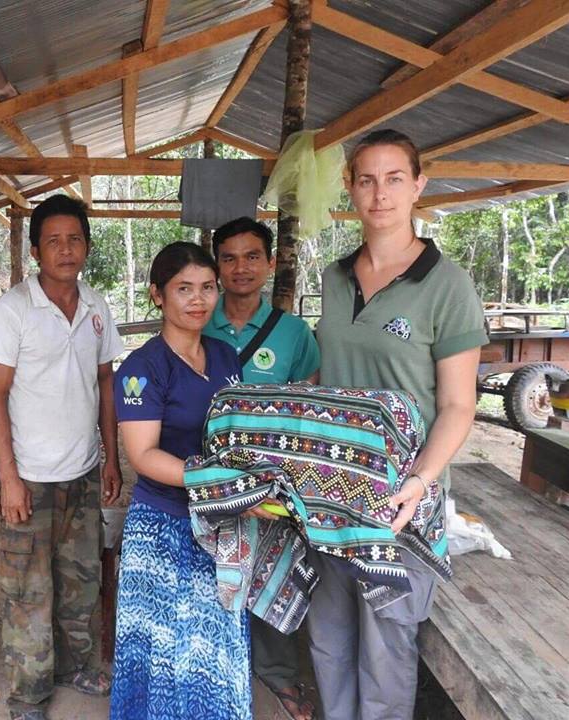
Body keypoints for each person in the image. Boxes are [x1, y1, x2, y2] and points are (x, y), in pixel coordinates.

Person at [311, 128, 487, 720]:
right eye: (366, 180)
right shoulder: (335, 280)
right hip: (333, 490)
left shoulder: (447, 285)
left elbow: (459, 404)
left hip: (402, 496)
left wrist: (422, 478)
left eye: (393, 179)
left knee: (387, 643)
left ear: (418, 186)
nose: (379, 194)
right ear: (351, 189)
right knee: (330, 634)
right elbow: (326, 379)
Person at [0, 194, 123, 720]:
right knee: (27, 589)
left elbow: (106, 384)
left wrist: (109, 458)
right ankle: (30, 692)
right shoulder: (13, 309)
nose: (66, 249)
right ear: (37, 249)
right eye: (54, 241)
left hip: (82, 472)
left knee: (80, 579)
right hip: (30, 479)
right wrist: (8, 478)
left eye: (75, 239)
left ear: (86, 245)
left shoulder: (96, 306)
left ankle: (77, 667)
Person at [109, 241, 250, 720]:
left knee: (214, 646)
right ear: (157, 295)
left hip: (225, 525)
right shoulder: (141, 370)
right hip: (164, 527)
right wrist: (216, 481)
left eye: (208, 288)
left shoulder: (226, 356)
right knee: (164, 650)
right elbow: (143, 455)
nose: (198, 300)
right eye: (184, 288)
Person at [202, 217, 319, 720]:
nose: (241, 268)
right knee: (211, 574)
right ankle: (215, 666)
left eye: (252, 256)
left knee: (274, 574)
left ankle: (278, 676)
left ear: (270, 263)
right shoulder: (196, 319)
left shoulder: (294, 334)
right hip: (210, 478)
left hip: (276, 482)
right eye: (229, 258)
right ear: (216, 267)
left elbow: (310, 407)